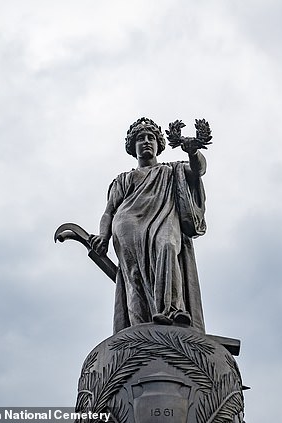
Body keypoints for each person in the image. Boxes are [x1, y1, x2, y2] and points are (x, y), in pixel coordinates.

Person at [89, 117, 208, 334]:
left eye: (151, 138)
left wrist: (192, 152)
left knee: (168, 247)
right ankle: (140, 327)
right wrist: (102, 236)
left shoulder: (172, 171)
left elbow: (198, 170)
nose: (146, 141)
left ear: (158, 144)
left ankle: (172, 310)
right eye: (140, 138)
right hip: (127, 226)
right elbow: (108, 212)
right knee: (133, 276)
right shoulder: (123, 179)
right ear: (133, 147)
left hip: (163, 219)